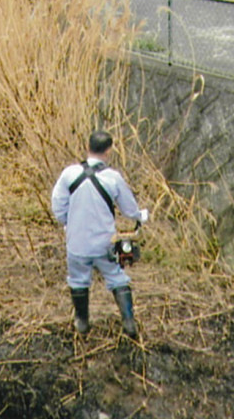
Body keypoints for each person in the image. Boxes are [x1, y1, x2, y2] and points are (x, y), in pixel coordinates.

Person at [51, 130, 149, 338]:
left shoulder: (69, 174)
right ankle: (129, 322)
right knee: (117, 277)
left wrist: (69, 224)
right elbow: (129, 209)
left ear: (88, 147)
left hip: (77, 244)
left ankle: (82, 323)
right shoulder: (112, 178)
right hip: (105, 243)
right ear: (109, 151)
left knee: (78, 280)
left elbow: (58, 206)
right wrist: (140, 215)